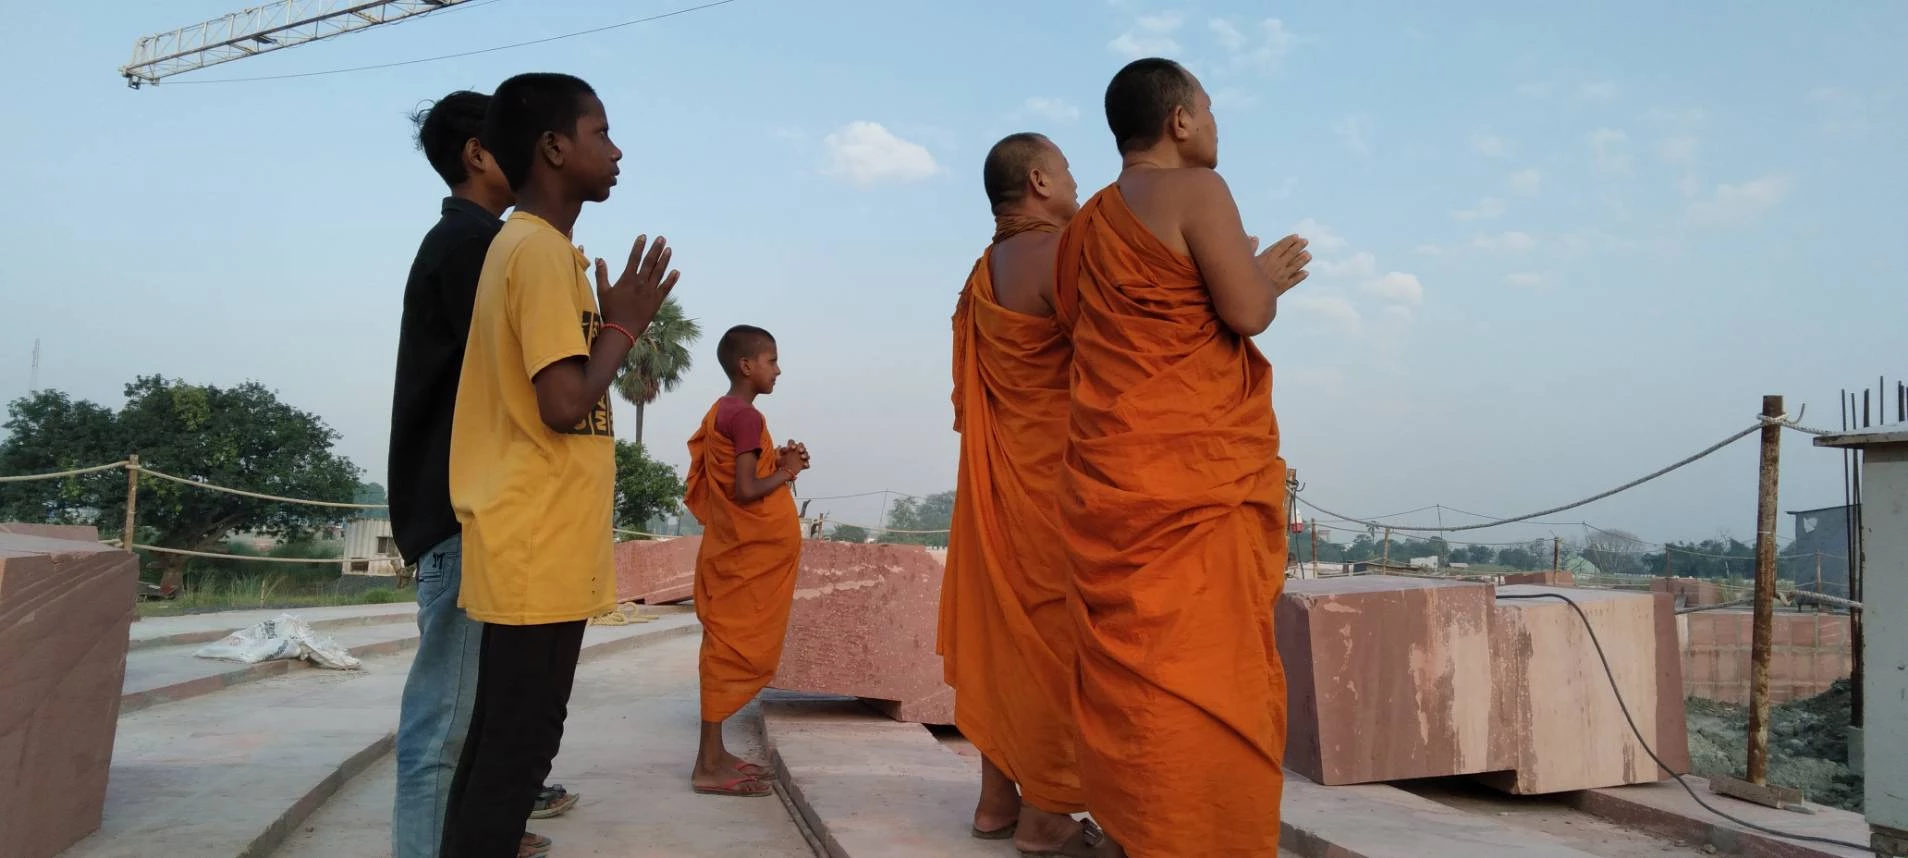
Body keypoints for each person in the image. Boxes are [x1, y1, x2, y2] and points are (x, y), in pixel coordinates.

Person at [1052, 58, 1310, 857]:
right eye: (1212, 109)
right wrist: (1263, 278)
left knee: (1139, 671)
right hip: (1197, 482)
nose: (1218, 125)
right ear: (1180, 121)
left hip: (1117, 479)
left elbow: (1077, 329)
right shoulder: (1201, 192)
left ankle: (1141, 829)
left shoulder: (1086, 225)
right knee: (1205, 666)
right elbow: (1243, 313)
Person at [443, 72, 680, 858]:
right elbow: (561, 401)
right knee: (517, 748)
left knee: (509, 745)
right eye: (601, 133)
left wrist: (610, 319)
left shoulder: (548, 253)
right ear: (553, 147)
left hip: (541, 539)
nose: (616, 152)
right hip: (530, 537)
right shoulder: (538, 252)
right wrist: (624, 326)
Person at [386, 90, 576, 858]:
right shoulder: (475, 246)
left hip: (476, 511)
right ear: (478, 153)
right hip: (462, 513)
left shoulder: (491, 244)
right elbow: (533, 388)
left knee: (482, 714)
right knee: (447, 721)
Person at [937, 132, 1100, 857]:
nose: (1075, 183)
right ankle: (1048, 816)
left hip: (997, 490)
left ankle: (997, 800)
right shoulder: (1061, 257)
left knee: (1010, 639)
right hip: (1054, 488)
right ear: (1039, 180)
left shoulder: (982, 272)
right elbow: (1127, 347)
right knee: (1056, 647)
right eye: (1066, 172)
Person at [682, 325, 810, 797]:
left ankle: (713, 756)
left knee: (721, 648)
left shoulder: (724, 411)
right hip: (746, 557)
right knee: (730, 651)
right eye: (771, 361)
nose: (778, 370)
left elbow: (744, 474)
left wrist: (775, 462)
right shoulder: (746, 417)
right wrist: (787, 471)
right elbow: (747, 489)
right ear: (747, 366)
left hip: (737, 552)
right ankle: (706, 767)